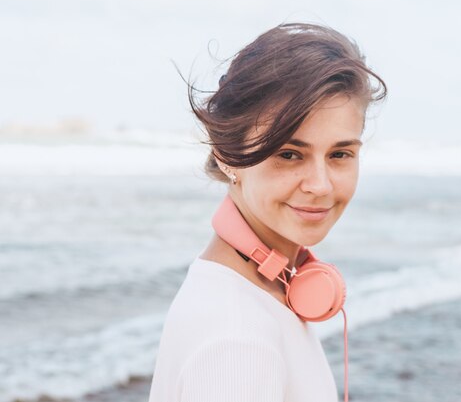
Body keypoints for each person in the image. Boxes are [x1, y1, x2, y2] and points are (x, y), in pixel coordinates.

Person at [148, 22, 387, 402]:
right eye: (290, 154)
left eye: (340, 154)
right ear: (228, 156)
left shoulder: (260, 292)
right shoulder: (237, 341)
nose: (321, 185)